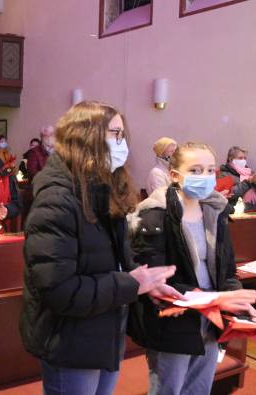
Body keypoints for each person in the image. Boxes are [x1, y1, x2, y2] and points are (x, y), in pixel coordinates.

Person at [20, 101, 179, 395]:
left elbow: (111, 261)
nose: (122, 144)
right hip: (70, 339)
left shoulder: (100, 189)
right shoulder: (56, 200)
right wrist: (131, 284)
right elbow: (59, 290)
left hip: (103, 331)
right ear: (85, 137)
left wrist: (144, 284)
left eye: (122, 135)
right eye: (114, 134)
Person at [129, 142, 256, 395]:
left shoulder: (214, 211)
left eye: (210, 170)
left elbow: (226, 268)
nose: (205, 177)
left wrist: (238, 299)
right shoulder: (153, 215)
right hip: (174, 319)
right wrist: (220, 298)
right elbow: (156, 278)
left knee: (199, 389)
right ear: (174, 176)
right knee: (170, 390)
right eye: (196, 170)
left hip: (210, 318)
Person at [219, 146, 256, 211]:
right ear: (230, 159)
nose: (243, 160)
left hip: (251, 212)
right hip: (233, 214)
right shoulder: (223, 174)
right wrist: (247, 183)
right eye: (240, 158)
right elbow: (228, 194)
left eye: (245, 158)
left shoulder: (249, 172)